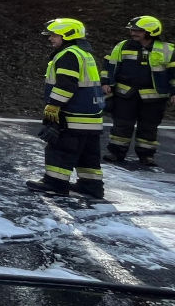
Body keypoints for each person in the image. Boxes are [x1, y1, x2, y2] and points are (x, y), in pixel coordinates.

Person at [28, 18, 104, 198]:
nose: (50, 38)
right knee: (88, 155)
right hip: (91, 118)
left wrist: (53, 106)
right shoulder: (84, 53)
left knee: (60, 149)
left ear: (68, 35)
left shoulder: (68, 55)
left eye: (55, 35)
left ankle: (55, 183)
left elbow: (66, 85)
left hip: (72, 115)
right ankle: (91, 186)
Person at [101, 16, 175, 166]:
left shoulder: (168, 49)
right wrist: (106, 83)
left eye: (138, 31)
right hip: (126, 94)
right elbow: (109, 65)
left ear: (150, 32)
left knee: (149, 127)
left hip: (154, 98)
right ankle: (116, 152)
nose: (133, 33)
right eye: (132, 30)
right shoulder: (122, 46)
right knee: (121, 125)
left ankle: (146, 155)